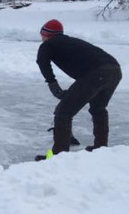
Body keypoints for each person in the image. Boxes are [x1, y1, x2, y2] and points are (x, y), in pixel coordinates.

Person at [34, 19, 122, 160]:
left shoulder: (48, 45)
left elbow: (42, 61)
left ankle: (59, 157)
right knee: (98, 108)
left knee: (63, 112)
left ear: (46, 34)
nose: (41, 37)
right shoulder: (70, 41)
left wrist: (52, 83)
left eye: (42, 34)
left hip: (96, 73)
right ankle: (100, 147)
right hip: (115, 70)